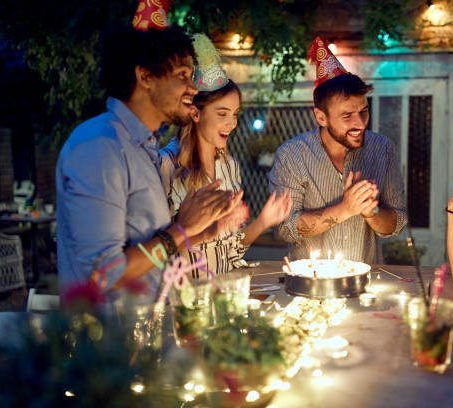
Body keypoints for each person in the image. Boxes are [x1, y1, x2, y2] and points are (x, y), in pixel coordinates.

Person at [56, 4, 241, 303]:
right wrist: (180, 230)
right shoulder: (100, 147)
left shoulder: (144, 148)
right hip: (111, 341)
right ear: (145, 76)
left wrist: (201, 230)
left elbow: (148, 249)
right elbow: (103, 274)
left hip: (147, 332)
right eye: (182, 75)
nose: (193, 88)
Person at [160, 34, 291, 277]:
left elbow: (230, 251)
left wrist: (262, 222)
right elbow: (158, 253)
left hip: (224, 294)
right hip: (184, 300)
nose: (232, 123)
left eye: (235, 113)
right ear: (195, 114)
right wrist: (210, 228)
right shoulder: (166, 165)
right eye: (222, 114)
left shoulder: (229, 166)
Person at [268, 37, 406, 263]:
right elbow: (286, 227)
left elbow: (397, 222)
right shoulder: (292, 155)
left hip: (366, 283)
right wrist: (346, 208)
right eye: (347, 116)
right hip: (310, 285)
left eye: (364, 111)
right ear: (321, 117)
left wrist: (371, 213)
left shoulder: (382, 149)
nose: (360, 123)